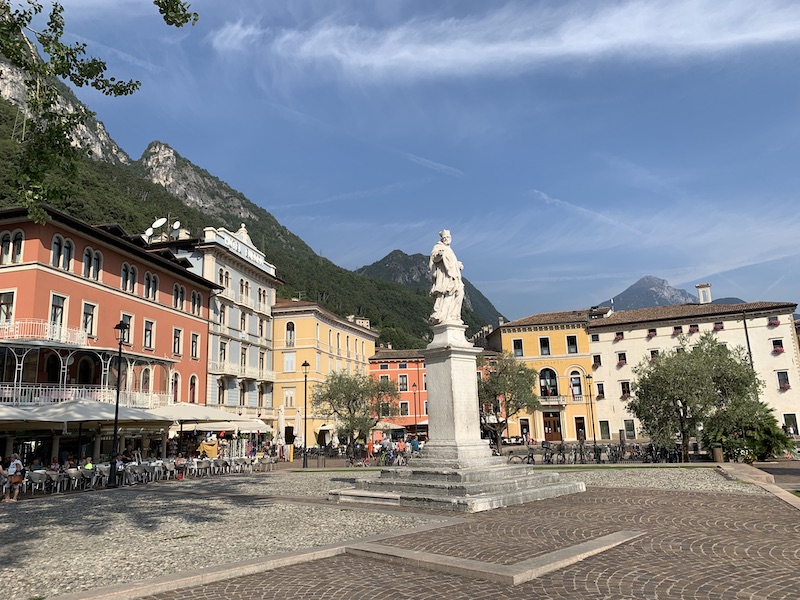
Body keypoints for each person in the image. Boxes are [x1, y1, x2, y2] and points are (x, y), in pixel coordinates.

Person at [428, 229, 464, 325]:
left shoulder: (450, 250)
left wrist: (458, 265)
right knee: (447, 295)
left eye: (447, 237)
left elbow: (451, 263)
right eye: (444, 238)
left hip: (454, 277)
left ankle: (455, 316)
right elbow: (434, 258)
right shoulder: (438, 247)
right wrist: (439, 255)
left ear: (450, 238)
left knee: (460, 292)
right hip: (445, 278)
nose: (446, 239)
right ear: (442, 239)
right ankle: (443, 316)